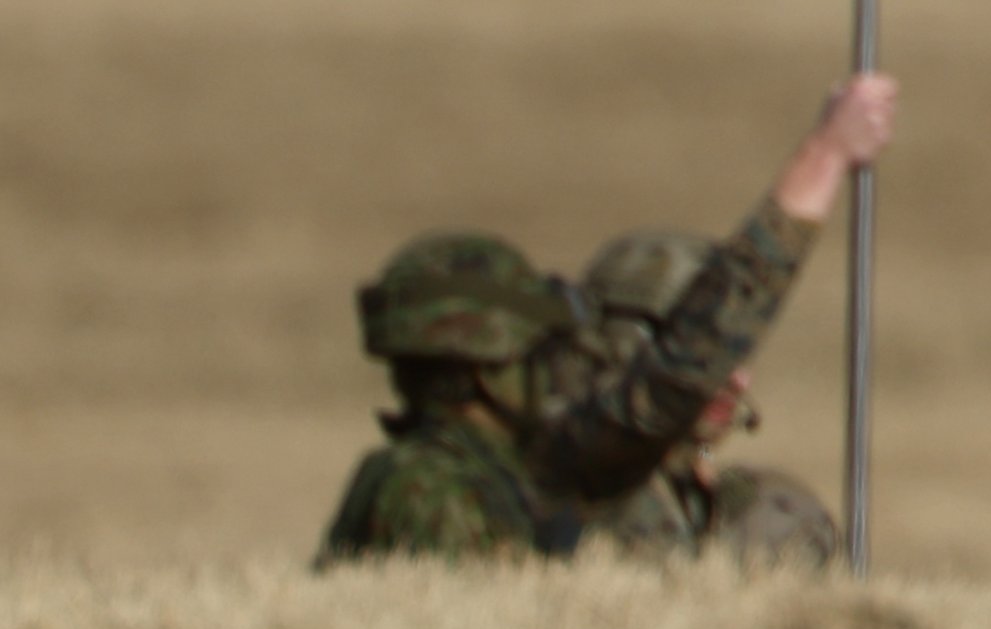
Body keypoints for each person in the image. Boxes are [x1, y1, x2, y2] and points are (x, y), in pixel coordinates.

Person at [317, 73, 899, 562]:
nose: (559, 362)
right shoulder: (486, 478)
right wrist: (823, 157)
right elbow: (684, 367)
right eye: (534, 351)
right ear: (485, 371)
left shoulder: (500, 471)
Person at [566, 227, 844, 565]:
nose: (739, 380)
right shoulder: (576, 495)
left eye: (736, 356)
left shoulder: (745, 509)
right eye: (704, 356)